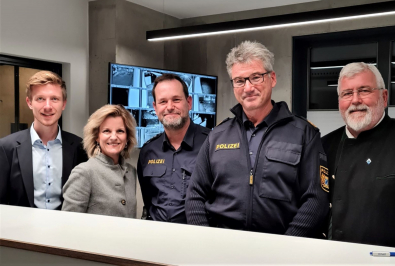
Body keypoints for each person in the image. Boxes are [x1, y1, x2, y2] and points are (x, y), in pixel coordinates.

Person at [186, 41, 329, 237]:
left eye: (256, 77)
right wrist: (206, 241)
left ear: (272, 78)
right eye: (239, 80)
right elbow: (195, 195)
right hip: (222, 248)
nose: (248, 87)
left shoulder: (304, 133)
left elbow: (316, 199)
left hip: (282, 249)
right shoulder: (217, 136)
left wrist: (287, 247)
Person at [322, 62, 395, 247]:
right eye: (347, 94)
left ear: (384, 96)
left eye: (364, 90)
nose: (355, 100)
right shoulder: (324, 145)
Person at [0, 71, 87, 209]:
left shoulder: (79, 147)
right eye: (40, 99)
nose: (47, 106)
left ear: (63, 104)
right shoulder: (6, 147)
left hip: (66, 228)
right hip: (21, 228)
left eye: (54, 99)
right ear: (29, 103)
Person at [137, 73, 210, 223]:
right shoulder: (148, 151)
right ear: (155, 108)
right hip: (157, 238)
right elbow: (148, 199)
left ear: (189, 102)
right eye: (163, 102)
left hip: (198, 237)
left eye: (176, 100)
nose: (170, 107)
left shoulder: (212, 144)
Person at [62, 105, 137, 217]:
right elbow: (69, 223)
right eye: (106, 131)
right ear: (97, 136)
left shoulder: (131, 172)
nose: (113, 137)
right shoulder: (84, 172)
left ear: (127, 137)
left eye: (120, 131)